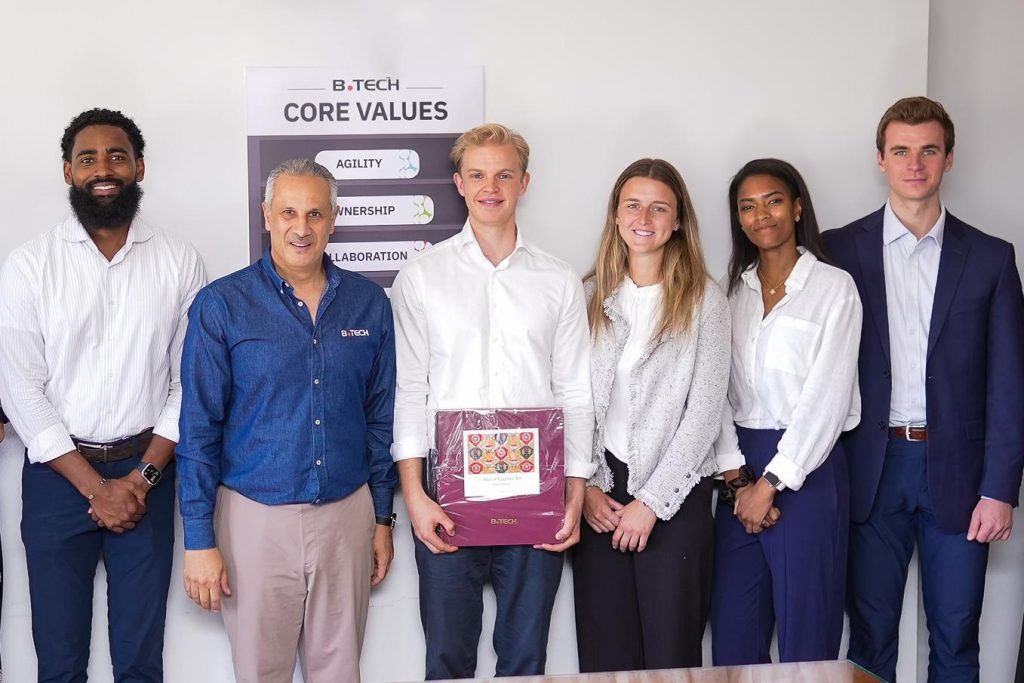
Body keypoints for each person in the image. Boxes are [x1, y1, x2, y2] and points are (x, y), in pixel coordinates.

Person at [0, 108, 206, 682]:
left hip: (148, 477)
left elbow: (189, 384)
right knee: (59, 662)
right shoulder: (29, 266)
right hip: (56, 481)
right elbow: (21, 388)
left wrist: (140, 480)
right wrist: (96, 488)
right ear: (68, 172)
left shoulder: (179, 261)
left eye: (117, 156)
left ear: (140, 167)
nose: (103, 169)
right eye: (87, 158)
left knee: (140, 661)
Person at [825, 96, 1024, 682]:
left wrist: (1000, 488)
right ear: (881, 159)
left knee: (957, 635)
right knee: (869, 639)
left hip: (961, 471)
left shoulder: (991, 258)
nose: (915, 164)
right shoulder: (838, 251)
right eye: (901, 151)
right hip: (870, 467)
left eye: (929, 150)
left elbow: (1010, 385)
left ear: (949, 159)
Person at [177, 159, 397, 682]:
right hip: (254, 521)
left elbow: (379, 420)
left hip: (347, 517)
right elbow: (199, 429)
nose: (302, 228)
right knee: (261, 674)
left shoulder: (368, 304)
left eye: (315, 214)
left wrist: (382, 519)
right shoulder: (221, 305)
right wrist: (199, 540)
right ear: (266, 216)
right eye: (289, 213)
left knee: (340, 674)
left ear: (333, 219)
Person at [390, 123, 595, 679]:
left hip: (538, 493)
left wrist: (574, 491)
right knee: (447, 659)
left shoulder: (558, 280)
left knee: (526, 660)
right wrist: (415, 495)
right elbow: (409, 390)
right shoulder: (422, 277)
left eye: (504, 175)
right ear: (459, 183)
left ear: (524, 182)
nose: (491, 187)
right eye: (478, 175)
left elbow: (575, 392)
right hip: (446, 494)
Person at [572, 158, 730, 672]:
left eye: (659, 208)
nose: (644, 218)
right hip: (601, 495)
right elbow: (573, 401)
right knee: (606, 657)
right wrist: (586, 487)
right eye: (633, 205)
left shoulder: (705, 300)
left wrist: (652, 503)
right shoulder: (589, 296)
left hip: (676, 497)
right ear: (616, 215)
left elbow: (704, 412)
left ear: (678, 220)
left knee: (670, 656)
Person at [711, 158, 862, 665]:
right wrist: (739, 482)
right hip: (738, 470)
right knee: (733, 636)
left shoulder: (834, 288)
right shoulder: (730, 293)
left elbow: (827, 400)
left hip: (808, 469)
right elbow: (715, 393)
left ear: (797, 207)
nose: (761, 215)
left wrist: (770, 485)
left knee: (807, 636)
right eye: (747, 207)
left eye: (773, 201)